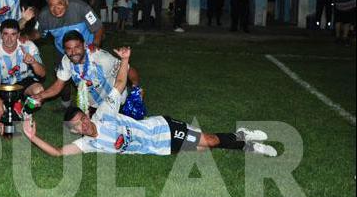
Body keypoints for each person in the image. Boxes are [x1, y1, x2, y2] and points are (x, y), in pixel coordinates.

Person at [23, 47, 277, 158]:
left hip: (162, 128)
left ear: (87, 117)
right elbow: (58, 153)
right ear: (76, 132)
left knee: (208, 140)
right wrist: (33, 137)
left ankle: (244, 140)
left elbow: (120, 84)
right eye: (79, 126)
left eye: (83, 119)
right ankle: (242, 140)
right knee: (205, 147)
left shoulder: (103, 113)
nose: (84, 125)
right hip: (161, 148)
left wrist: (125, 60)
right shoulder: (89, 144)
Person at [33, 31, 140, 112]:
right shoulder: (66, 60)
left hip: (117, 104)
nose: (73, 52)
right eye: (69, 49)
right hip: (93, 107)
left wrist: (135, 87)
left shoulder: (101, 58)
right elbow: (58, 85)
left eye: (77, 47)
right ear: (64, 50)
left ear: (84, 45)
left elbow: (128, 69)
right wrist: (41, 96)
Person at [36, 0, 104, 55]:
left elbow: (98, 27)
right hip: (64, 51)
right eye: (52, 6)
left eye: (60, 4)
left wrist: (95, 44)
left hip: (88, 48)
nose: (56, 9)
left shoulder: (81, 7)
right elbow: (38, 33)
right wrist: (27, 36)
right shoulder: (44, 16)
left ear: (66, 1)